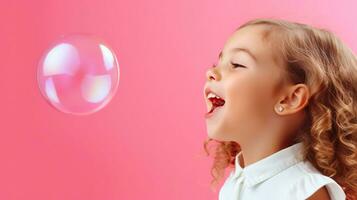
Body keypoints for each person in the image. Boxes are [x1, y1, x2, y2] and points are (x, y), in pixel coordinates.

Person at [203, 18, 357, 200]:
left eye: (237, 64)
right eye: (218, 64)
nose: (211, 73)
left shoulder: (303, 191)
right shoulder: (235, 183)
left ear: (289, 99)